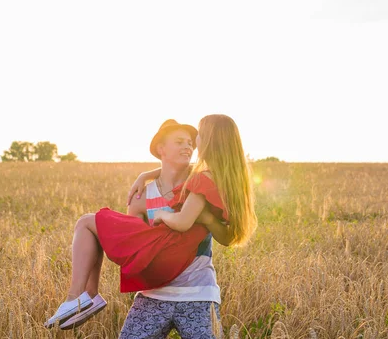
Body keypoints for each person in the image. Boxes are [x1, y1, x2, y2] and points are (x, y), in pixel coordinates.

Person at [44, 115, 257, 337]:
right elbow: (137, 248)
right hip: (154, 294)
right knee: (87, 223)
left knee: (87, 222)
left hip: (198, 293)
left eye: (192, 142)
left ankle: (79, 296)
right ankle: (86, 296)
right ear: (161, 149)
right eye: (179, 142)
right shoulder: (142, 196)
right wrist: (145, 174)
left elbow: (208, 229)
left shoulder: (199, 181)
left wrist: (200, 218)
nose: (188, 146)